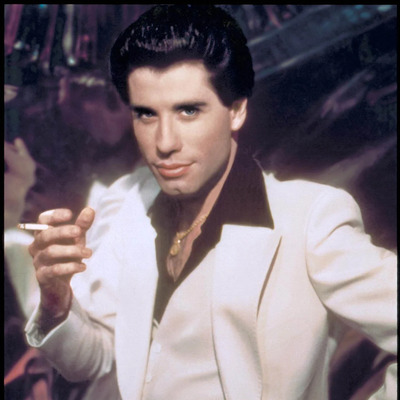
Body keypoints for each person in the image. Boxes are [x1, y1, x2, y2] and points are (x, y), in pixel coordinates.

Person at [24, 5, 396, 400]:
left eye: (188, 111)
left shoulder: (308, 221)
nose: (164, 142)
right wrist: (57, 304)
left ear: (236, 111)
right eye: (146, 115)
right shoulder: (127, 203)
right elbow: (96, 360)